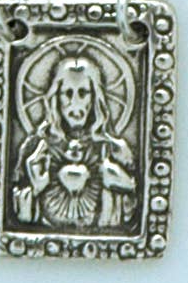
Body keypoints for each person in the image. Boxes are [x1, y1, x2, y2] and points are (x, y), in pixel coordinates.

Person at [12, 55, 136, 230]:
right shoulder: (36, 149)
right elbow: (18, 206)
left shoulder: (113, 148)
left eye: (83, 93)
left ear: (94, 97)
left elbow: (132, 201)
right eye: (67, 93)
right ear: (56, 97)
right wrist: (35, 190)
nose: (75, 103)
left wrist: (122, 183)